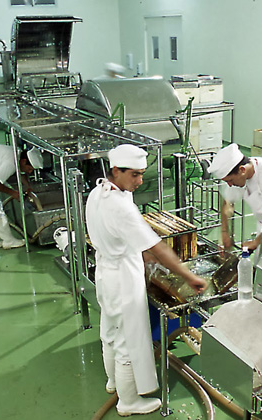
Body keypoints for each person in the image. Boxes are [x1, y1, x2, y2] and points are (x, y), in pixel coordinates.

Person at [85, 144, 208, 416]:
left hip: (106, 272)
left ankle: (114, 382)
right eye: (135, 174)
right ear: (116, 170)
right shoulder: (120, 206)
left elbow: (116, 235)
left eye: (142, 173)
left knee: (110, 330)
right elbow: (159, 248)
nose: (140, 181)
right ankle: (128, 402)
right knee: (129, 342)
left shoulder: (97, 193)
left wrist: (138, 251)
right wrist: (189, 276)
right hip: (123, 280)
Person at [207, 143, 262, 252]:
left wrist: (256, 242)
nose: (230, 185)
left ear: (242, 170)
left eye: (230, 180)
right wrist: (224, 232)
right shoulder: (239, 172)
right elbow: (227, 201)